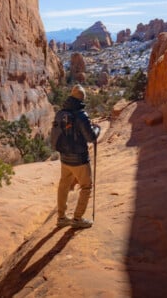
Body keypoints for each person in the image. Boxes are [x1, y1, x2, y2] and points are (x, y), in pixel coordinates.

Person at [56, 84, 100, 229]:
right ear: (82, 99)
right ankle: (77, 218)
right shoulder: (81, 115)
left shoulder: (61, 113)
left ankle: (61, 217)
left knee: (63, 186)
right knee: (86, 187)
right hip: (79, 160)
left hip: (64, 158)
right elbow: (91, 137)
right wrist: (97, 129)